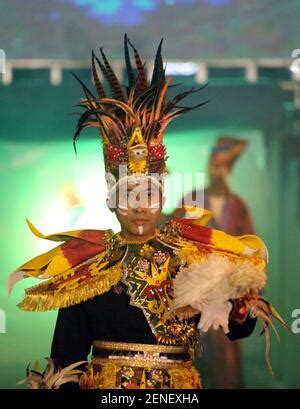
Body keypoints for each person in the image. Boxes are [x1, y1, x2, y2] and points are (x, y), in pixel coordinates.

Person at [8, 36, 286, 390]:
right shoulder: (86, 268)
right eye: (128, 194)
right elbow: (65, 360)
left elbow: (238, 327)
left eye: (149, 194)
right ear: (110, 199)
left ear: (162, 196)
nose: (139, 205)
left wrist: (235, 304)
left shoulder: (193, 256)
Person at [162, 137, 255, 388]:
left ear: (229, 170)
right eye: (213, 166)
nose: (216, 171)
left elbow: (251, 252)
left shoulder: (238, 207)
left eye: (221, 167)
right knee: (190, 363)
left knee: (224, 361)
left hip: (226, 295)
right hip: (193, 293)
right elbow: (170, 232)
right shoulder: (192, 199)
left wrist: (243, 288)